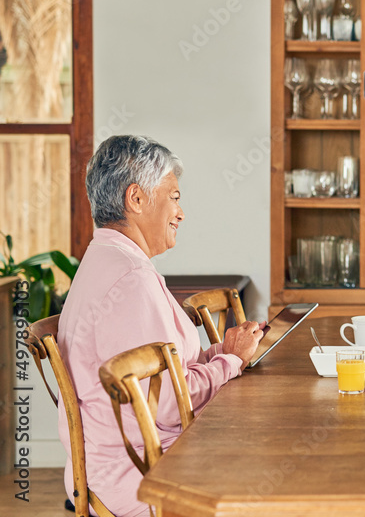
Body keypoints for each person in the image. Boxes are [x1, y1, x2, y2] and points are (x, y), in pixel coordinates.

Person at [57, 135, 266, 517]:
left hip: (114, 464)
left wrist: (224, 351)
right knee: (269, 469)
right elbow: (169, 406)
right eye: (173, 197)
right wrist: (230, 363)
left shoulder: (106, 259)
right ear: (136, 199)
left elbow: (164, 369)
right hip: (139, 473)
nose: (181, 212)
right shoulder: (130, 278)